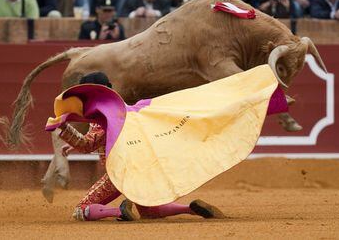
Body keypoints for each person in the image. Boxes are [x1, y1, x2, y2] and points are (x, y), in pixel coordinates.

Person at [55, 72, 218, 221]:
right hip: (141, 169)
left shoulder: (103, 114)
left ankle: (119, 212)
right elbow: (103, 138)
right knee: (149, 212)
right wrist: (75, 145)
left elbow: (88, 144)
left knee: (80, 210)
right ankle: (189, 209)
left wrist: (63, 128)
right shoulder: (124, 107)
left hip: (119, 174)